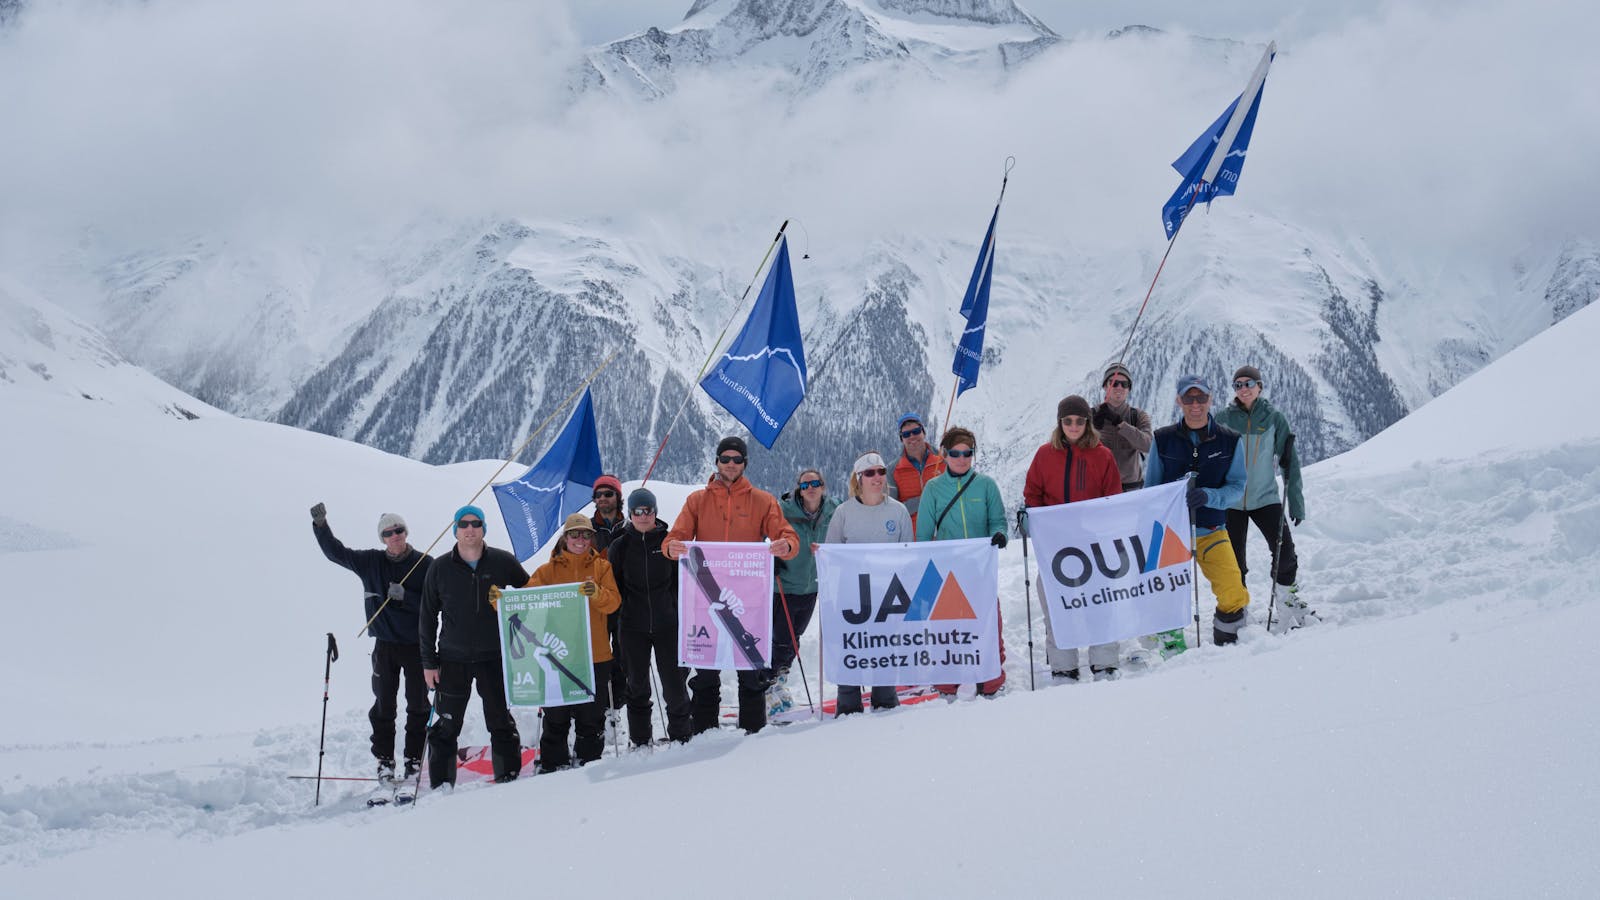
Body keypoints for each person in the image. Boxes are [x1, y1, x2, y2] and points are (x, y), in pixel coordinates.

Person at [664, 436, 799, 734]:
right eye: (725, 459)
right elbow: (675, 536)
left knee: (750, 669)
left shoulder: (762, 500)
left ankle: (752, 733)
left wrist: (785, 546)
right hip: (707, 597)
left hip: (746, 600)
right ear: (716, 462)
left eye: (737, 459)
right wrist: (671, 548)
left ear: (745, 464)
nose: (731, 464)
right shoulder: (697, 500)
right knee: (706, 669)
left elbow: (789, 537)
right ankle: (704, 734)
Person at [310, 504, 433, 781]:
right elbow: (336, 553)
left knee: (418, 705)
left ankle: (413, 761)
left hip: (417, 646)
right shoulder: (371, 562)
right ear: (382, 538)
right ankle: (385, 762)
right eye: (388, 532)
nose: (395, 536)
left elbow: (439, 603)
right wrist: (321, 525)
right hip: (385, 647)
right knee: (384, 706)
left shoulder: (425, 564)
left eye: (399, 530)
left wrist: (407, 597)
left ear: (405, 532)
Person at [419, 505, 532, 787]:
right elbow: (427, 617)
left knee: (500, 720)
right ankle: (442, 784)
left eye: (476, 523)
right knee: (446, 724)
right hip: (452, 658)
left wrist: (510, 607)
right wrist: (428, 662)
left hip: (493, 656)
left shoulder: (502, 562)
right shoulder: (440, 567)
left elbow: (531, 594)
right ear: (455, 529)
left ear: (483, 528)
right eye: (464, 524)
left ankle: (509, 776)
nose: (470, 529)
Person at [1022, 396, 1124, 680]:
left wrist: (1102, 526)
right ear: (1060, 423)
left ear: (1088, 423)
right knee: (1056, 606)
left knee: (1099, 603)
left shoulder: (1102, 456)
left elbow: (1112, 498)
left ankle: (1104, 662)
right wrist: (1037, 518)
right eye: (1068, 421)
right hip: (1056, 545)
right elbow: (1033, 492)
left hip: (1093, 545)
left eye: (1079, 421)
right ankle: (1063, 665)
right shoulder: (1045, 454)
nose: (1074, 426)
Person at [1144, 376, 1251, 645]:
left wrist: (1210, 497)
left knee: (1232, 590)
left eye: (1201, 398)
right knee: (1166, 596)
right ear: (1179, 401)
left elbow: (1238, 486)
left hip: (1212, 530)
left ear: (1210, 399)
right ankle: (1172, 650)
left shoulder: (1229, 440)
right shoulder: (1163, 439)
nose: (1195, 405)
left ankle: (1228, 643)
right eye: (1189, 398)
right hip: (1171, 533)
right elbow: (1152, 489)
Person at [917, 428, 1011, 696]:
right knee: (947, 626)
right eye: (956, 453)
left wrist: (1000, 535)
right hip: (948, 572)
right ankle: (948, 680)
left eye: (967, 453)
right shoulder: (934, 489)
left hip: (980, 569)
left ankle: (991, 676)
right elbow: (924, 534)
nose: (962, 458)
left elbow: (998, 521)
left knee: (989, 621)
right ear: (945, 455)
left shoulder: (986, 485)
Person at [1215, 366, 1312, 629]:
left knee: (1285, 552)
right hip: (1232, 500)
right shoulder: (1222, 418)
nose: (1243, 389)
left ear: (1260, 386)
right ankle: (1239, 609)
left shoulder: (1273, 418)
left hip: (1265, 497)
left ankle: (1286, 599)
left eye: (1249, 383)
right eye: (1238, 384)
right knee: (1234, 561)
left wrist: (1296, 501)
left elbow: (1289, 462)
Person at [525, 513, 622, 771]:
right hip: (558, 654)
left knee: (590, 717)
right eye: (575, 534)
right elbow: (526, 601)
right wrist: (500, 600)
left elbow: (613, 603)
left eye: (586, 534)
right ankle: (553, 765)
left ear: (592, 537)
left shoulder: (602, 568)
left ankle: (588, 763)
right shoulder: (547, 571)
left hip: (596, 655)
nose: (580, 539)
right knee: (556, 716)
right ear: (565, 538)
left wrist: (597, 593)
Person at [824, 451, 913, 714]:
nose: (877, 478)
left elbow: (908, 553)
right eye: (870, 473)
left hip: (888, 594)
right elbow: (832, 553)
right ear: (858, 478)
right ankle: (848, 706)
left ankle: (885, 703)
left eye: (881, 472)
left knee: (885, 649)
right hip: (852, 594)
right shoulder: (844, 512)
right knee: (850, 647)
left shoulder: (898, 511)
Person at [608, 487, 693, 745]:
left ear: (655, 512)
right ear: (630, 513)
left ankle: (681, 736)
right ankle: (641, 740)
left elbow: (682, 583)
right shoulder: (620, 546)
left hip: (668, 625)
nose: (644, 516)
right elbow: (615, 587)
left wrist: (678, 613)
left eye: (648, 511)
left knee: (675, 685)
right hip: (633, 627)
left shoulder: (668, 542)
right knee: (637, 686)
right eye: (638, 511)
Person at [769, 468, 838, 716]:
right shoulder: (784, 510)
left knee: (794, 638)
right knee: (779, 638)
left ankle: (779, 683)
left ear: (823, 486)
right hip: (785, 584)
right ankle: (768, 686)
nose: (811, 488)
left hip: (812, 586)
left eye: (816, 483)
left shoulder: (834, 509)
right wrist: (770, 555)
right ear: (799, 488)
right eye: (805, 484)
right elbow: (765, 531)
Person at [588, 473, 629, 720]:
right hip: (598, 601)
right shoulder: (586, 529)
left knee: (624, 653)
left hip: (626, 599)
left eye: (608, 494)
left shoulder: (631, 525)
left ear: (618, 497)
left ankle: (620, 701)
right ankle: (602, 700)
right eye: (598, 495)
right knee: (602, 654)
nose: (603, 499)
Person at [1093, 364, 1155, 493]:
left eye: (1124, 384)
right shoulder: (1091, 414)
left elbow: (1149, 445)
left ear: (1129, 389)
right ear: (1105, 386)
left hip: (1130, 489)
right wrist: (1090, 433)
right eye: (1114, 383)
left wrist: (1121, 424)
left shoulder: (1138, 416)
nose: (1119, 388)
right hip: (1098, 488)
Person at [887, 413, 945, 532]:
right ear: (902, 439)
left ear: (923, 432)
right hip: (913, 539)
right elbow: (892, 511)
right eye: (906, 434)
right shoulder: (892, 470)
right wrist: (923, 500)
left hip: (945, 535)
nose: (912, 437)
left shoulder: (945, 460)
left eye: (916, 431)